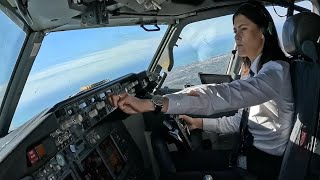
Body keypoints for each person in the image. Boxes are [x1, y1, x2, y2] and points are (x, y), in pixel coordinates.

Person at [109, 1, 294, 179]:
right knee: (177, 162)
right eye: (235, 31)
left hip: (264, 167)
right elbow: (239, 122)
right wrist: (199, 123)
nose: (237, 36)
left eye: (243, 29)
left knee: (174, 176)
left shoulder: (276, 72)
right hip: (245, 154)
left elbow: (223, 95)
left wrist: (152, 104)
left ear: (264, 31)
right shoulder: (252, 72)